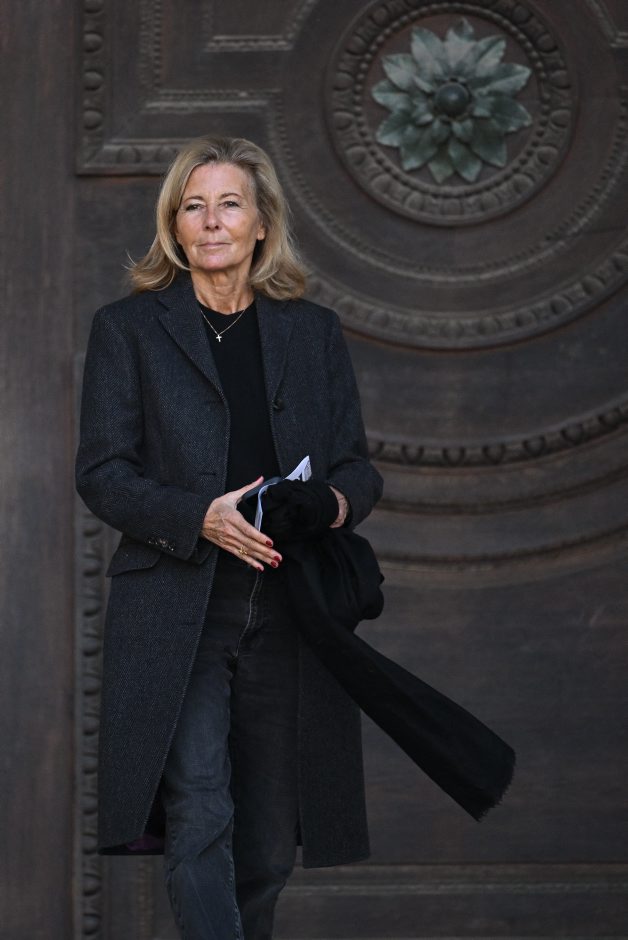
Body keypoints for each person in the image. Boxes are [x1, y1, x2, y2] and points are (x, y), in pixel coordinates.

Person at [75, 135, 383, 940]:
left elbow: (357, 470)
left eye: (230, 204)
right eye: (193, 206)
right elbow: (102, 473)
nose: (211, 221)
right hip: (179, 609)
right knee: (201, 808)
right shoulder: (128, 329)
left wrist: (328, 505)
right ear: (175, 226)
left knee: (270, 843)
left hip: (290, 610)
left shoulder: (313, 332)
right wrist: (198, 516)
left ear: (261, 223)